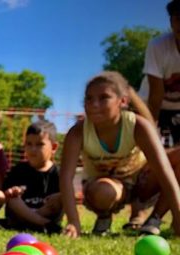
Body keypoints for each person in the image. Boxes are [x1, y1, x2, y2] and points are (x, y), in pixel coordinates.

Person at [60, 71, 180, 238]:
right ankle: (104, 215)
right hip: (109, 187)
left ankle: (154, 219)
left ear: (122, 101)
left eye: (103, 98)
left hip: (143, 184)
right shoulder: (78, 132)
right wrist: (73, 221)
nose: (94, 104)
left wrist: (177, 213)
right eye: (89, 98)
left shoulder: (138, 125)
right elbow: (66, 177)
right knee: (104, 191)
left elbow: (164, 170)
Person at [3, 120, 63, 233]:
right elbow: (6, 195)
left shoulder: (59, 174)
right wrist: (12, 191)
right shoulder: (18, 170)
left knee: (62, 197)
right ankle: (45, 224)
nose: (33, 149)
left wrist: (59, 196)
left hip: (44, 213)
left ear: (54, 147)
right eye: (29, 144)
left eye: (39, 144)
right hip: (21, 213)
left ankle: (32, 221)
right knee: (13, 199)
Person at [144, 1, 180, 147]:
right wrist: (151, 128)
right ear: (171, 22)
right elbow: (155, 96)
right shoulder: (158, 46)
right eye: (179, 19)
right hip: (153, 106)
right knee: (155, 149)